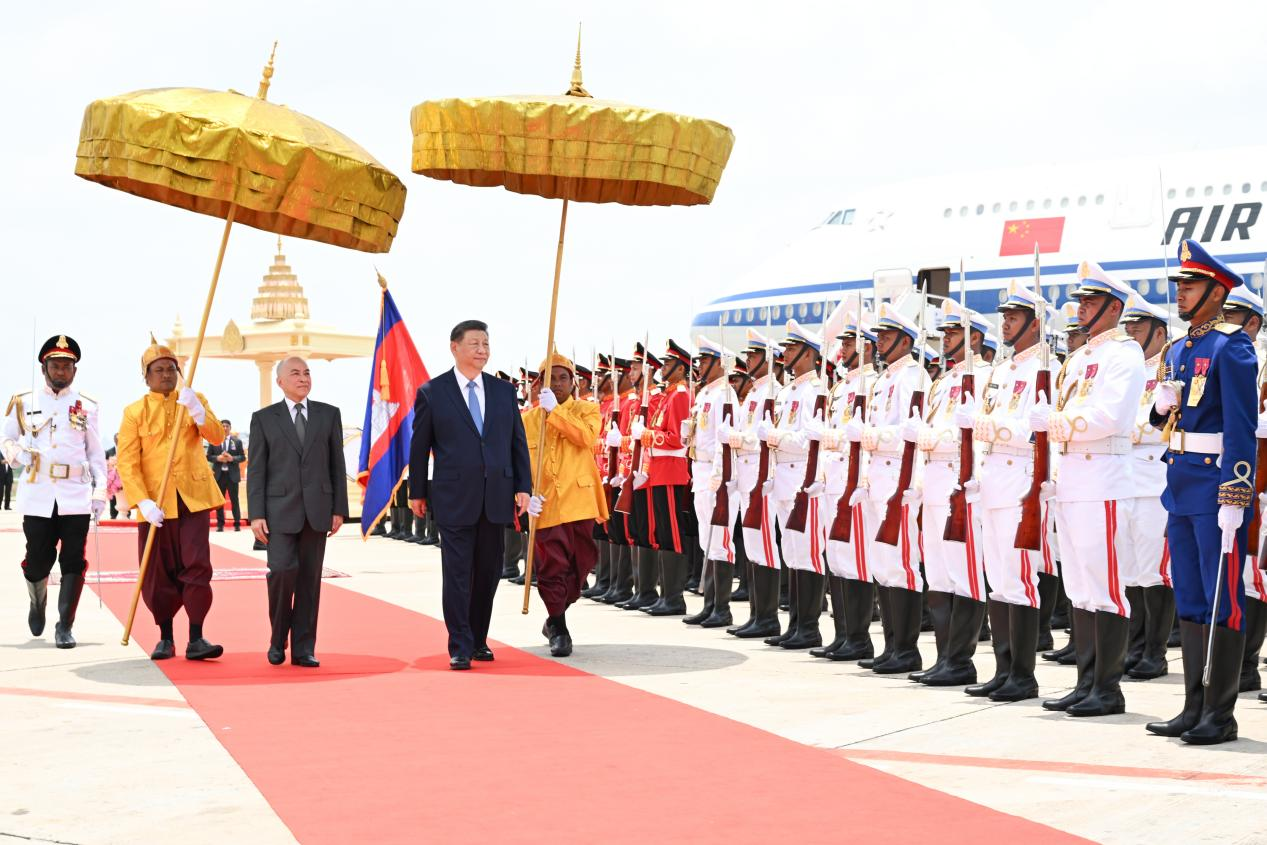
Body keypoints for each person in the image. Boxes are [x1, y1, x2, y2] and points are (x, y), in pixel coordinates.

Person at [1146, 240, 1256, 745]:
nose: (1181, 293)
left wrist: (1236, 494)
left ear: (1217, 292)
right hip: (1181, 482)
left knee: (1222, 599)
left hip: (1215, 488)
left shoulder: (1232, 346)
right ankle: (1193, 705)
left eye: (1190, 285)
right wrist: (1159, 407)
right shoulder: (1177, 349)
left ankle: (1220, 713)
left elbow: (1241, 427)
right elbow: (1165, 423)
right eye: (1180, 285)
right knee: (1189, 596)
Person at [1035, 262, 1145, 718]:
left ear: (1114, 308)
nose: (1080, 309)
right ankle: (1085, 682)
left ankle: (1108, 687)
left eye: (1091, 302)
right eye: (1080, 301)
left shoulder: (1125, 353)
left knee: (1105, 586)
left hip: (1103, 478)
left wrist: (1055, 423)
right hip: (1073, 480)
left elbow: (1109, 417)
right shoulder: (1078, 358)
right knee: (1079, 587)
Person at [409, 320, 531, 670]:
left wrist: (523, 486)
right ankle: (460, 645)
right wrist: (417, 492)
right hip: (453, 496)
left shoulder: (503, 392)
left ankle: (479, 639)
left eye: (486, 344)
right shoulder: (433, 392)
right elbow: (419, 447)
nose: (482, 350)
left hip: (496, 496)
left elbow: (517, 442)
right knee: (458, 573)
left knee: (488, 572)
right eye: (475, 343)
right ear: (455, 347)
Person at [966, 282, 1055, 701]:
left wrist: (989, 427)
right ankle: (1003, 669)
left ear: (1035, 324)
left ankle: (1023, 673)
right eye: (1004, 316)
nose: (1005, 324)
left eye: (1014, 317)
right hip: (993, 482)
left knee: (1019, 580)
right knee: (998, 582)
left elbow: (1038, 432)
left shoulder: (1046, 370)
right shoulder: (1000, 373)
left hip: (1021, 481)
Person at [117, 336, 227, 661]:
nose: (166, 374)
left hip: (193, 498)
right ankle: (165, 637)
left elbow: (217, 437)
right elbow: (127, 462)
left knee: (197, 566)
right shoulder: (134, 412)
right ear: (146, 377)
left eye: (171, 369)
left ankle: (196, 637)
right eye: (159, 369)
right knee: (157, 572)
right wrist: (142, 501)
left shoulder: (194, 399)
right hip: (156, 504)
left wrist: (198, 412)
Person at [1, 335, 108, 648]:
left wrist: (100, 490)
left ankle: (65, 625)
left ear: (74, 370)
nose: (61, 371)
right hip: (38, 493)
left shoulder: (87, 405)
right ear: (44, 368)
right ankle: (37, 602)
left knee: (73, 559)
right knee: (38, 559)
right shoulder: (24, 401)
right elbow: (6, 439)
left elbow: (95, 452)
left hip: (75, 494)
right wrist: (18, 454)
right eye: (55, 365)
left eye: (66, 366)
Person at [247, 357, 349, 667]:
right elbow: (257, 470)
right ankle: (278, 638)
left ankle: (304, 648)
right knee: (281, 571)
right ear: (280, 381)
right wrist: (256, 514)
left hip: (318, 511)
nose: (303, 378)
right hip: (278, 512)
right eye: (295, 373)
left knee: (309, 580)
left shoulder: (329, 415)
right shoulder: (264, 418)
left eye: (306, 373)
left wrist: (339, 509)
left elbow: (337, 464)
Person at [522, 352, 609, 656]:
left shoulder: (588, 410)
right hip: (546, 504)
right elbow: (518, 462)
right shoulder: (527, 420)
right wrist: (523, 494)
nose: (557, 384)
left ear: (574, 383)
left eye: (563, 378)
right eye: (551, 378)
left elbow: (586, 438)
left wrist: (556, 412)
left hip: (579, 501)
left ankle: (554, 616)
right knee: (551, 568)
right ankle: (559, 626)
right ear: (539, 385)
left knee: (581, 566)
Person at [860, 303, 930, 674]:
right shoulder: (885, 379)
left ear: (905, 341)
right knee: (883, 565)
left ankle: (906, 648)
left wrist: (874, 436)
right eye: (879, 337)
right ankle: (890, 645)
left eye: (886, 337)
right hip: (878, 477)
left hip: (897, 477)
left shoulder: (912, 377)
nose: (880, 342)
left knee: (901, 564)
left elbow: (911, 431)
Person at [1118, 295, 1176, 681]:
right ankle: (1134, 648)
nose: (1132, 334)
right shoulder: (1127, 372)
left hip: (1156, 480)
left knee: (1155, 570)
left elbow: (1158, 425)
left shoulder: (1168, 370)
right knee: (1130, 570)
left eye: (1138, 328)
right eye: (1129, 327)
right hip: (1125, 478)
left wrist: (1125, 430)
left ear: (1159, 332)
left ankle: (1155, 652)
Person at [762, 320, 828, 650]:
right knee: (791, 553)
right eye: (786, 347)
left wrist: (774, 437)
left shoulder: (816, 390)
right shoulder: (788, 392)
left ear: (809, 354)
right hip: (783, 480)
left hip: (803, 478)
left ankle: (809, 627)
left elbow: (807, 441)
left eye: (792, 348)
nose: (785, 353)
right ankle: (795, 624)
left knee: (808, 553)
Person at [817, 312, 878, 661]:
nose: (842, 349)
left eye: (849, 342)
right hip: (833, 480)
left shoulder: (870, 384)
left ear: (866, 347)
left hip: (853, 481)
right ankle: (842, 634)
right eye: (842, 342)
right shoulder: (840, 387)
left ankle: (858, 637)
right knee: (837, 559)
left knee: (855, 560)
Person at [1221, 285, 1266, 694]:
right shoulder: (1241, 358)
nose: (1226, 322)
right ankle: (1246, 666)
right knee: (1249, 577)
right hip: (1250, 479)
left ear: (1253, 322)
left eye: (1233, 316)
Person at [684, 337, 740, 628]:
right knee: (706, 539)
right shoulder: (705, 394)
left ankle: (722, 607)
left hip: (716, 473)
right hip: (700, 468)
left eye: (705, 361)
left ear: (720, 364)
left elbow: (725, 438)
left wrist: (720, 473)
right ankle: (709, 604)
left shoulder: (725, 395)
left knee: (720, 540)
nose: (700, 366)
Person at [207, 419, 245, 532]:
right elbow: (208, 456)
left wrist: (232, 458)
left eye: (227, 426)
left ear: (230, 428)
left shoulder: (237, 442)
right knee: (220, 502)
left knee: (234, 500)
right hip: (219, 475)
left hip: (232, 476)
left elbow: (242, 457)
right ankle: (220, 525)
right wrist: (217, 458)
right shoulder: (214, 441)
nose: (224, 428)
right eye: (222, 426)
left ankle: (237, 524)